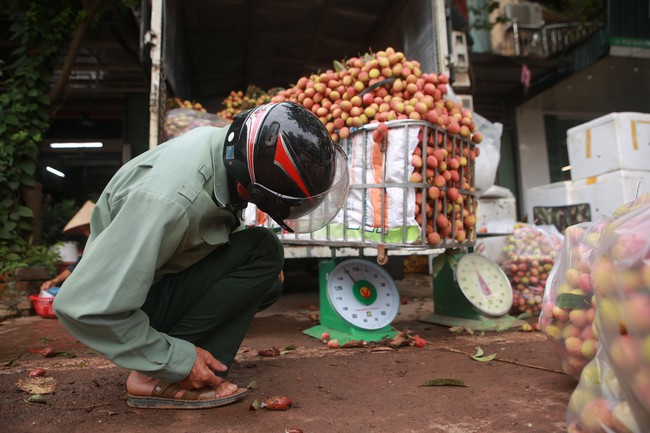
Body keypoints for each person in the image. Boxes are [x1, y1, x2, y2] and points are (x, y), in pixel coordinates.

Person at [53, 102, 349, 410]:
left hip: (157, 280)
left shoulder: (227, 148)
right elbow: (81, 306)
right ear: (250, 188)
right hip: (126, 301)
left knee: (266, 274)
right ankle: (157, 375)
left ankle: (178, 358)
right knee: (264, 251)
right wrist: (176, 360)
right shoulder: (167, 202)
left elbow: (212, 223)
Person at [40, 201, 94, 293]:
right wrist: (54, 281)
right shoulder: (90, 245)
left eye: (88, 228)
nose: (86, 233)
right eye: (83, 230)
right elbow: (75, 267)